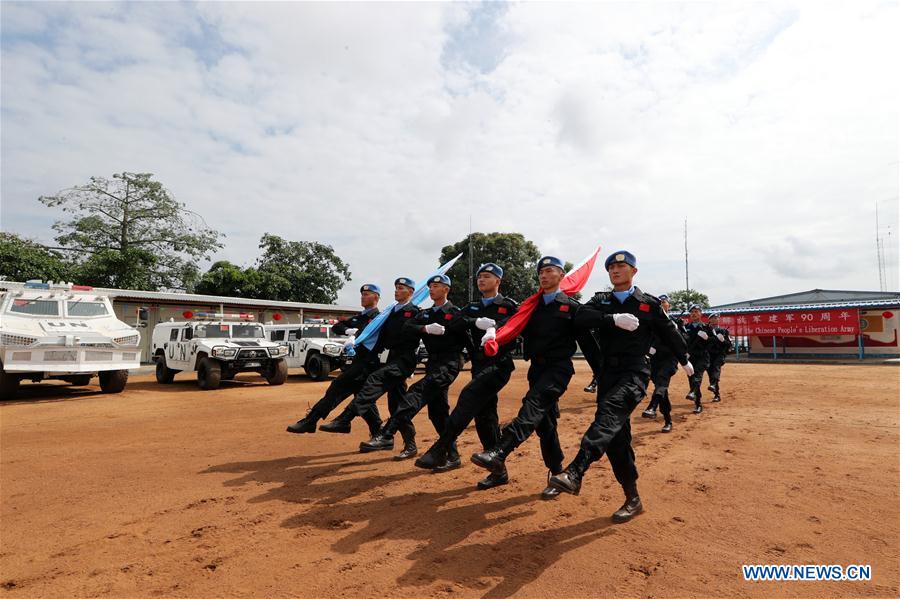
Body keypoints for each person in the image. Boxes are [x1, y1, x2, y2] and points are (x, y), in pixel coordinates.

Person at [547, 251, 692, 523]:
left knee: (608, 416)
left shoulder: (648, 304)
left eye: (621, 266)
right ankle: (633, 498)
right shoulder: (602, 301)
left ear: (633, 271)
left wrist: (684, 359)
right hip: (608, 374)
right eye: (611, 267)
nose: (615, 270)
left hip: (635, 372)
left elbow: (669, 332)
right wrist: (611, 319)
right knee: (616, 440)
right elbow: (581, 318)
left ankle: (576, 471)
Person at [470, 256, 601, 500]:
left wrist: (601, 375)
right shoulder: (530, 307)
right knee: (545, 425)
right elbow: (514, 329)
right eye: (541, 271)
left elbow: (589, 345)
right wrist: (494, 336)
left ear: (561, 276)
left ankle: (500, 450)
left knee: (532, 406)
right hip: (537, 370)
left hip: (558, 370)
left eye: (550, 270)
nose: (543, 275)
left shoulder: (572, 308)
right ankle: (558, 473)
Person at [412, 263, 519, 489]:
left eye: (487, 276)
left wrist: (495, 328)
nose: (481, 280)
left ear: (498, 281)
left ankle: (441, 448)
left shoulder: (508, 305)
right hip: (480, 365)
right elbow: (456, 323)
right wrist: (474, 322)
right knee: (485, 417)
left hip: (498, 364)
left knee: (469, 396)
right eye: (479, 277)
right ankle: (498, 470)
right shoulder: (471, 307)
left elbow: (515, 325)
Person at [359, 274, 469, 462]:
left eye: (436, 286)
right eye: (430, 286)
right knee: (437, 412)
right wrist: (425, 329)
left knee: (416, 392)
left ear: (446, 289)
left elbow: (468, 340)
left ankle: (387, 433)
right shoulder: (426, 313)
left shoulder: (456, 312)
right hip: (432, 363)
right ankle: (452, 454)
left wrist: (461, 361)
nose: (432, 289)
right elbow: (408, 327)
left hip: (448, 362)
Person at [286, 284, 384, 436]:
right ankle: (378, 433)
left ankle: (311, 420)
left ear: (376, 297)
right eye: (362, 294)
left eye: (367, 294)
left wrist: (358, 334)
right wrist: (348, 330)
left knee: (337, 387)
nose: (363, 297)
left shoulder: (378, 318)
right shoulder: (360, 317)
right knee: (363, 400)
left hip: (368, 363)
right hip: (356, 361)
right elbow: (337, 327)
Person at [341, 278, 421, 456]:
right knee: (396, 405)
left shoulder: (414, 312)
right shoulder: (390, 313)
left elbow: (412, 336)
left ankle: (404, 442)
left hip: (402, 361)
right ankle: (402, 442)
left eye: (401, 288)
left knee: (383, 392)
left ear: (411, 292)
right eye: (396, 288)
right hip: (389, 358)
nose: (396, 291)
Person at [641, 293, 688, 432]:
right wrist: (649, 347)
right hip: (655, 359)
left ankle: (652, 406)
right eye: (660, 302)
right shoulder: (650, 321)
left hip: (670, 358)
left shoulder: (676, 322)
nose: (662, 304)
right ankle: (667, 420)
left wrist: (675, 330)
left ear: (669, 305)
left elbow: (684, 340)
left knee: (661, 381)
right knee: (661, 389)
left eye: (664, 302)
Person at [684, 305, 714, 413]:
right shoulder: (686, 327)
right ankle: (697, 403)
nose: (694, 313)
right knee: (692, 379)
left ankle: (693, 393)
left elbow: (715, 341)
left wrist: (707, 338)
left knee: (697, 376)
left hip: (702, 356)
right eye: (692, 312)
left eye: (696, 311)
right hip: (690, 357)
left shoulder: (706, 327)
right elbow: (681, 341)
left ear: (701, 313)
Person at [706, 313, 732, 402]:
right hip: (708, 355)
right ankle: (716, 394)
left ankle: (713, 385)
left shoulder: (724, 331)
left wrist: (723, 340)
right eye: (713, 318)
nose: (715, 319)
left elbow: (729, 344)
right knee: (710, 374)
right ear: (709, 320)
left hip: (719, 354)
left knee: (716, 368)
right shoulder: (706, 330)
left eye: (717, 318)